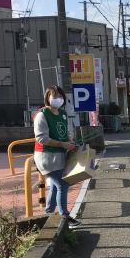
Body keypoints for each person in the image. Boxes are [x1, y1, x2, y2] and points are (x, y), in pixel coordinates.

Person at [33, 85, 81, 229]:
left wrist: (70, 141)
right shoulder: (42, 114)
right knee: (62, 184)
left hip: (60, 156)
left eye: (60, 96)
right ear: (47, 97)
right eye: (54, 96)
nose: (58, 99)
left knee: (55, 186)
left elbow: (66, 132)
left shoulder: (62, 113)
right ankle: (64, 217)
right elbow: (41, 138)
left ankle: (48, 214)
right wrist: (62, 144)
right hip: (46, 157)